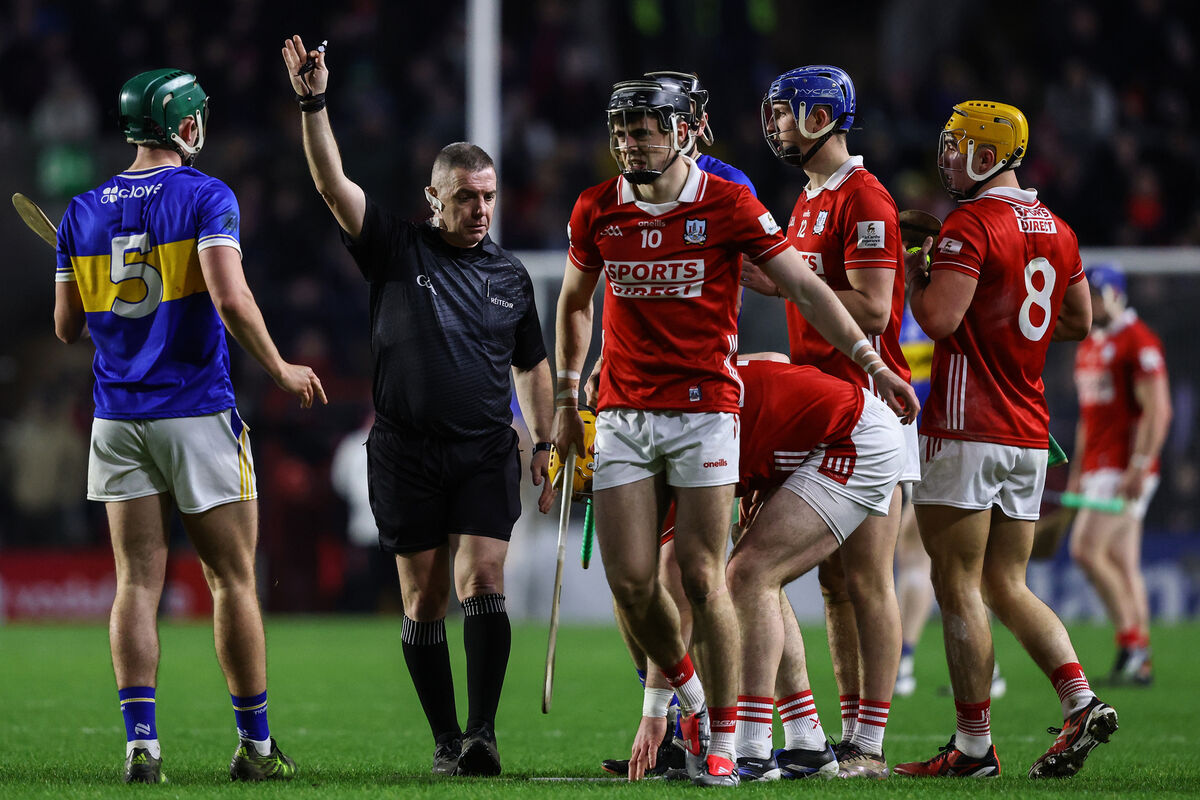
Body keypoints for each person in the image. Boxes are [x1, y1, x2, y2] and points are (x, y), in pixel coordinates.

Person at [554, 75, 916, 787]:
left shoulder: (731, 201)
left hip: (719, 415)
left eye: (647, 127)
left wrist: (873, 360)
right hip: (631, 416)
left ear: (686, 130)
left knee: (726, 576)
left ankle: (740, 741)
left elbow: (811, 290)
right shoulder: (596, 208)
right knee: (638, 583)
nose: (632, 141)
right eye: (622, 129)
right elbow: (575, 304)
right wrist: (569, 397)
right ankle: (737, 721)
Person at [281, 36, 556, 777]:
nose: (481, 209)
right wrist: (314, 103)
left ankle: (483, 734)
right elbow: (332, 182)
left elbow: (533, 365)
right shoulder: (395, 249)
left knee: (484, 582)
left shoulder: (510, 276)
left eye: (490, 196)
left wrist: (544, 439)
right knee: (424, 599)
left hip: (483, 449)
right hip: (405, 452)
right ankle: (443, 738)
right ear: (434, 197)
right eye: (466, 196)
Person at [54, 68, 326, 784]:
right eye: (196, 113)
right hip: (196, 411)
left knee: (136, 586)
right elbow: (231, 298)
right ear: (179, 123)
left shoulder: (82, 210)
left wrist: (90, 283)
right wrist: (279, 368)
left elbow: (63, 328)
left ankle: (141, 746)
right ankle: (257, 750)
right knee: (233, 581)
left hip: (117, 419)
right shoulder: (208, 195)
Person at [895, 100, 1114, 779]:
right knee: (1004, 582)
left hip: (967, 426)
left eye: (958, 147)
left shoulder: (971, 223)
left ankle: (972, 748)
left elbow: (938, 319)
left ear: (988, 157)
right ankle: (1080, 700)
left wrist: (914, 266)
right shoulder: (1059, 228)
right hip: (1029, 429)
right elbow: (1076, 322)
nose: (947, 158)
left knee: (956, 585)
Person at [745, 64, 917, 778]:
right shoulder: (808, 196)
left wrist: (801, 279)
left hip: (869, 404)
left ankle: (869, 747)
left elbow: (876, 310)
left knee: (870, 579)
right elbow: (795, 284)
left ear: (823, 117)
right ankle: (841, 737)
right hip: (818, 404)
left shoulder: (865, 196)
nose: (778, 124)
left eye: (788, 112)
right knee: (834, 585)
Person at [1068, 262, 1171, 686]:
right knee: (1125, 565)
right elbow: (1086, 418)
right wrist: (1077, 470)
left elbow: (1158, 409)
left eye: (1095, 293)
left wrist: (1140, 464)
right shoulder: (1090, 343)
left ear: (1115, 294)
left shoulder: (1138, 340)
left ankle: (1132, 645)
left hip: (1122, 468)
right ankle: (1138, 661)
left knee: (1085, 550)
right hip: (1098, 465)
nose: (1088, 301)